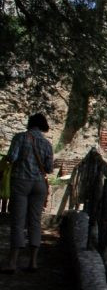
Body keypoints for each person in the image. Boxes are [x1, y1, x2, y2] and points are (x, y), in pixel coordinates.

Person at [1, 113, 53, 273]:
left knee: (18, 221)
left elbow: (12, 157)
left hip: (21, 182)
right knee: (35, 222)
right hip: (39, 185)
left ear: (30, 123)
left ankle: (12, 262)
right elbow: (49, 168)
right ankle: (33, 262)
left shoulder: (20, 137)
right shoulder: (47, 143)